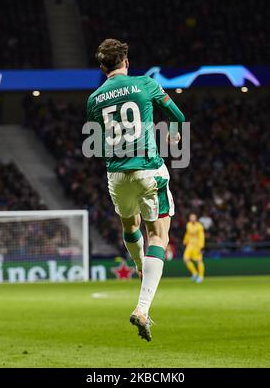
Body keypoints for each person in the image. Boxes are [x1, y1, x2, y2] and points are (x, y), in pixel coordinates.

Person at [86, 39, 185, 341]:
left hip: (116, 174)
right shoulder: (146, 84)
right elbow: (177, 117)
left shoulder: (93, 99)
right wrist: (175, 136)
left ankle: (140, 266)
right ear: (126, 62)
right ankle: (142, 308)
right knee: (159, 235)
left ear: (102, 68)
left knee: (130, 225)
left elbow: (96, 140)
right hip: (147, 168)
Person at [183, 213, 205, 283]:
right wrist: (185, 241)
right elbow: (187, 234)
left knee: (199, 260)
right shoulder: (188, 225)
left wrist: (201, 246)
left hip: (197, 245)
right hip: (189, 245)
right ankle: (194, 273)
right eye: (191, 217)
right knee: (186, 259)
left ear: (196, 218)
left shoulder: (199, 226)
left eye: (193, 217)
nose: (192, 219)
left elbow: (202, 236)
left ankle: (201, 276)